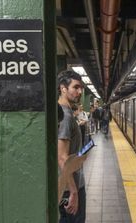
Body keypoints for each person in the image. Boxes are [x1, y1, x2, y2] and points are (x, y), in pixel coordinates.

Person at [57, 70, 86, 223]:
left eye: (80, 88)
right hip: (70, 189)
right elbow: (62, 158)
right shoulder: (65, 116)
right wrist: (74, 192)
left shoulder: (66, 112)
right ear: (63, 88)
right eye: (75, 87)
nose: (79, 91)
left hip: (69, 184)